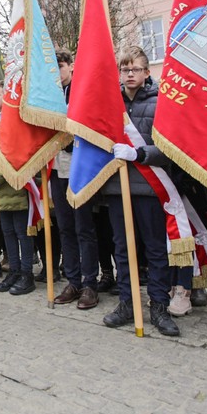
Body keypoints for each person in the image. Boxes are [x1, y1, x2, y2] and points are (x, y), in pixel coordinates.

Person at [101, 47, 179, 337]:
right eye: (124, 69)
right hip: (117, 186)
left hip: (150, 186)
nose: (129, 74)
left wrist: (140, 153)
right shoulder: (111, 104)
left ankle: (158, 305)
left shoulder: (161, 102)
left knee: (155, 249)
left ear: (147, 72)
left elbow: (171, 147)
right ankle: (127, 302)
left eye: (135, 69)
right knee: (122, 249)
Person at [51, 49, 100, 310]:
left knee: (84, 228)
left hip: (80, 168)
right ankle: (73, 280)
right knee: (65, 228)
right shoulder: (48, 96)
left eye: (60, 65)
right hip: (56, 167)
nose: (57, 71)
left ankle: (90, 282)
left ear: (70, 66)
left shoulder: (81, 91)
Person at [0, 82, 35, 296]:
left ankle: (27, 274)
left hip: (15, 185)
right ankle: (14, 270)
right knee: (8, 232)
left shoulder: (15, 121)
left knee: (23, 233)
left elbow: (14, 155)